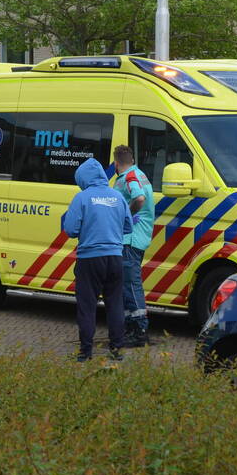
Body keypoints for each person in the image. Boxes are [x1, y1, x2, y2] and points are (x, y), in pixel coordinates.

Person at [62, 157, 133, 362]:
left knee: (87, 306)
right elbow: (128, 227)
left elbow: (70, 230)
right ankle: (117, 350)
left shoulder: (82, 198)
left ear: (83, 179)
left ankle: (85, 352)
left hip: (90, 259)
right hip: (115, 258)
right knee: (115, 304)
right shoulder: (117, 197)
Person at [111, 145, 156, 348]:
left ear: (116, 163)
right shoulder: (139, 173)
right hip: (137, 237)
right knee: (128, 284)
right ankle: (132, 327)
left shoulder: (129, 178)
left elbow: (139, 198)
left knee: (130, 284)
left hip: (130, 239)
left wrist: (126, 215)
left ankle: (139, 331)